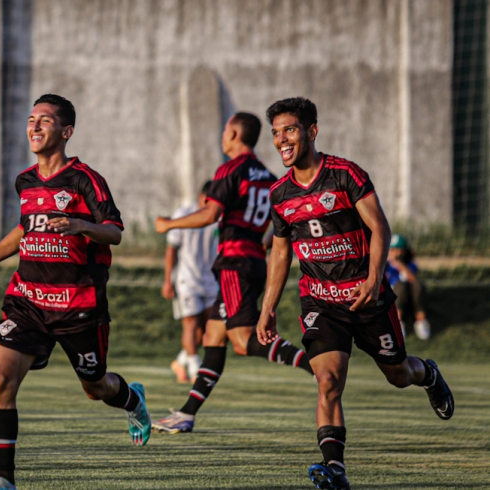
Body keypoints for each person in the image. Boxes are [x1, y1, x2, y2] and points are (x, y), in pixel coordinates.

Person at [257, 97, 453, 490]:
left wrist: (373, 276)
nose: (281, 140)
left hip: (368, 298)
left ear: (312, 131)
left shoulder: (345, 175)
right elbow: (280, 252)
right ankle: (335, 470)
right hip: (320, 302)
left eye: (289, 129)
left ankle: (428, 373)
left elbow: (379, 227)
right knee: (327, 379)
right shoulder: (279, 195)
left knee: (398, 374)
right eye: (276, 133)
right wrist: (268, 308)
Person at [0, 94, 151, 490]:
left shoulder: (85, 179)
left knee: (94, 387)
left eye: (44, 120)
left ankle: (131, 399)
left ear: (66, 132)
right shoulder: (25, 181)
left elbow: (113, 231)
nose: (35, 126)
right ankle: (3, 480)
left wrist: (80, 227)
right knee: (1, 382)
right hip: (27, 300)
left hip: (78, 304)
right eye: (31, 119)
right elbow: (26, 228)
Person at [153, 112, 313, 434]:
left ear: (236, 133)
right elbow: (282, 226)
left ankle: (315, 364)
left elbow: (211, 213)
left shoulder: (231, 169)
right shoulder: (270, 177)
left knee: (242, 340)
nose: (222, 136)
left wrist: (168, 223)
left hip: (234, 264)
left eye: (225, 130)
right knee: (214, 336)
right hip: (253, 262)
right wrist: (264, 241)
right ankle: (186, 414)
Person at [162, 180, 218, 384]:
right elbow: (172, 248)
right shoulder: (184, 214)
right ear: (200, 196)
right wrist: (168, 280)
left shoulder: (218, 217)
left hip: (210, 279)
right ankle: (196, 371)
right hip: (186, 278)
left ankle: (181, 360)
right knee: (190, 323)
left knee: (207, 329)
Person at [386, 234, 430, 340]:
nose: (395, 252)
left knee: (418, 286)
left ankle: (421, 321)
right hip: (391, 295)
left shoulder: (409, 264)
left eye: (398, 249)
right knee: (400, 286)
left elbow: (413, 279)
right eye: (392, 249)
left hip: (409, 295)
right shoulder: (384, 264)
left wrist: (399, 264)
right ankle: (397, 323)